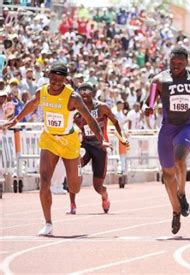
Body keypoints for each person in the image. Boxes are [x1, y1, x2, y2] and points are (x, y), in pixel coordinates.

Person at [2, 63, 107, 236]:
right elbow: (31, 104)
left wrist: (100, 139)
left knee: (74, 187)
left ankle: (77, 170)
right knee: (44, 180)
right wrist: (15, 120)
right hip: (49, 139)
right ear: (48, 76)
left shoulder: (73, 97)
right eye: (54, 79)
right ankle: (48, 223)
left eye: (60, 80)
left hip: (69, 141)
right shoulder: (42, 92)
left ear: (65, 80)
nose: (56, 83)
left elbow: (89, 118)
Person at [146, 46, 190, 234]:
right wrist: (149, 108)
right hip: (167, 128)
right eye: (173, 63)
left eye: (180, 63)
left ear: (186, 62)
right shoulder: (159, 80)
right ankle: (176, 210)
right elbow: (149, 101)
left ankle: (182, 192)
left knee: (179, 158)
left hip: (187, 126)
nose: (176, 66)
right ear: (169, 61)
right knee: (168, 175)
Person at [66, 83, 129, 215]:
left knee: (97, 186)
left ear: (93, 93)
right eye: (81, 91)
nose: (84, 93)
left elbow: (116, 121)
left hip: (100, 147)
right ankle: (72, 204)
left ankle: (104, 195)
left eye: (87, 90)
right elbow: (67, 125)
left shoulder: (102, 107)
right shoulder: (74, 110)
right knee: (73, 172)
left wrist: (122, 138)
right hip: (84, 145)